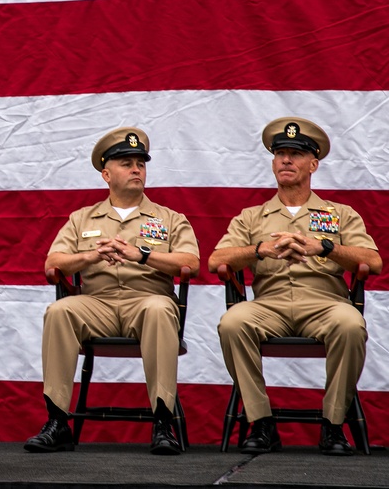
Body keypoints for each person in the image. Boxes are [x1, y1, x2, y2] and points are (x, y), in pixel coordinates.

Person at [208, 117, 382, 456]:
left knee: (350, 324)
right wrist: (261, 249)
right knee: (233, 321)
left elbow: (372, 262)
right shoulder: (252, 217)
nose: (287, 160)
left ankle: (333, 425)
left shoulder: (339, 214)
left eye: (296, 154)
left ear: (313, 164)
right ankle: (261, 422)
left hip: (324, 302)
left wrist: (325, 247)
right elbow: (217, 261)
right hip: (268, 303)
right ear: (273, 163)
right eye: (281, 154)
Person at [25, 127, 199, 456]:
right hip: (97, 304)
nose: (136, 169)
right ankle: (57, 420)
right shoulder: (82, 218)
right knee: (60, 311)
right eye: (126, 163)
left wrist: (143, 255)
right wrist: (91, 255)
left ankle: (163, 421)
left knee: (161, 308)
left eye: (140, 163)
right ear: (106, 174)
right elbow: (54, 263)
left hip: (147, 301)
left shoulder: (170, 218)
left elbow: (191, 262)